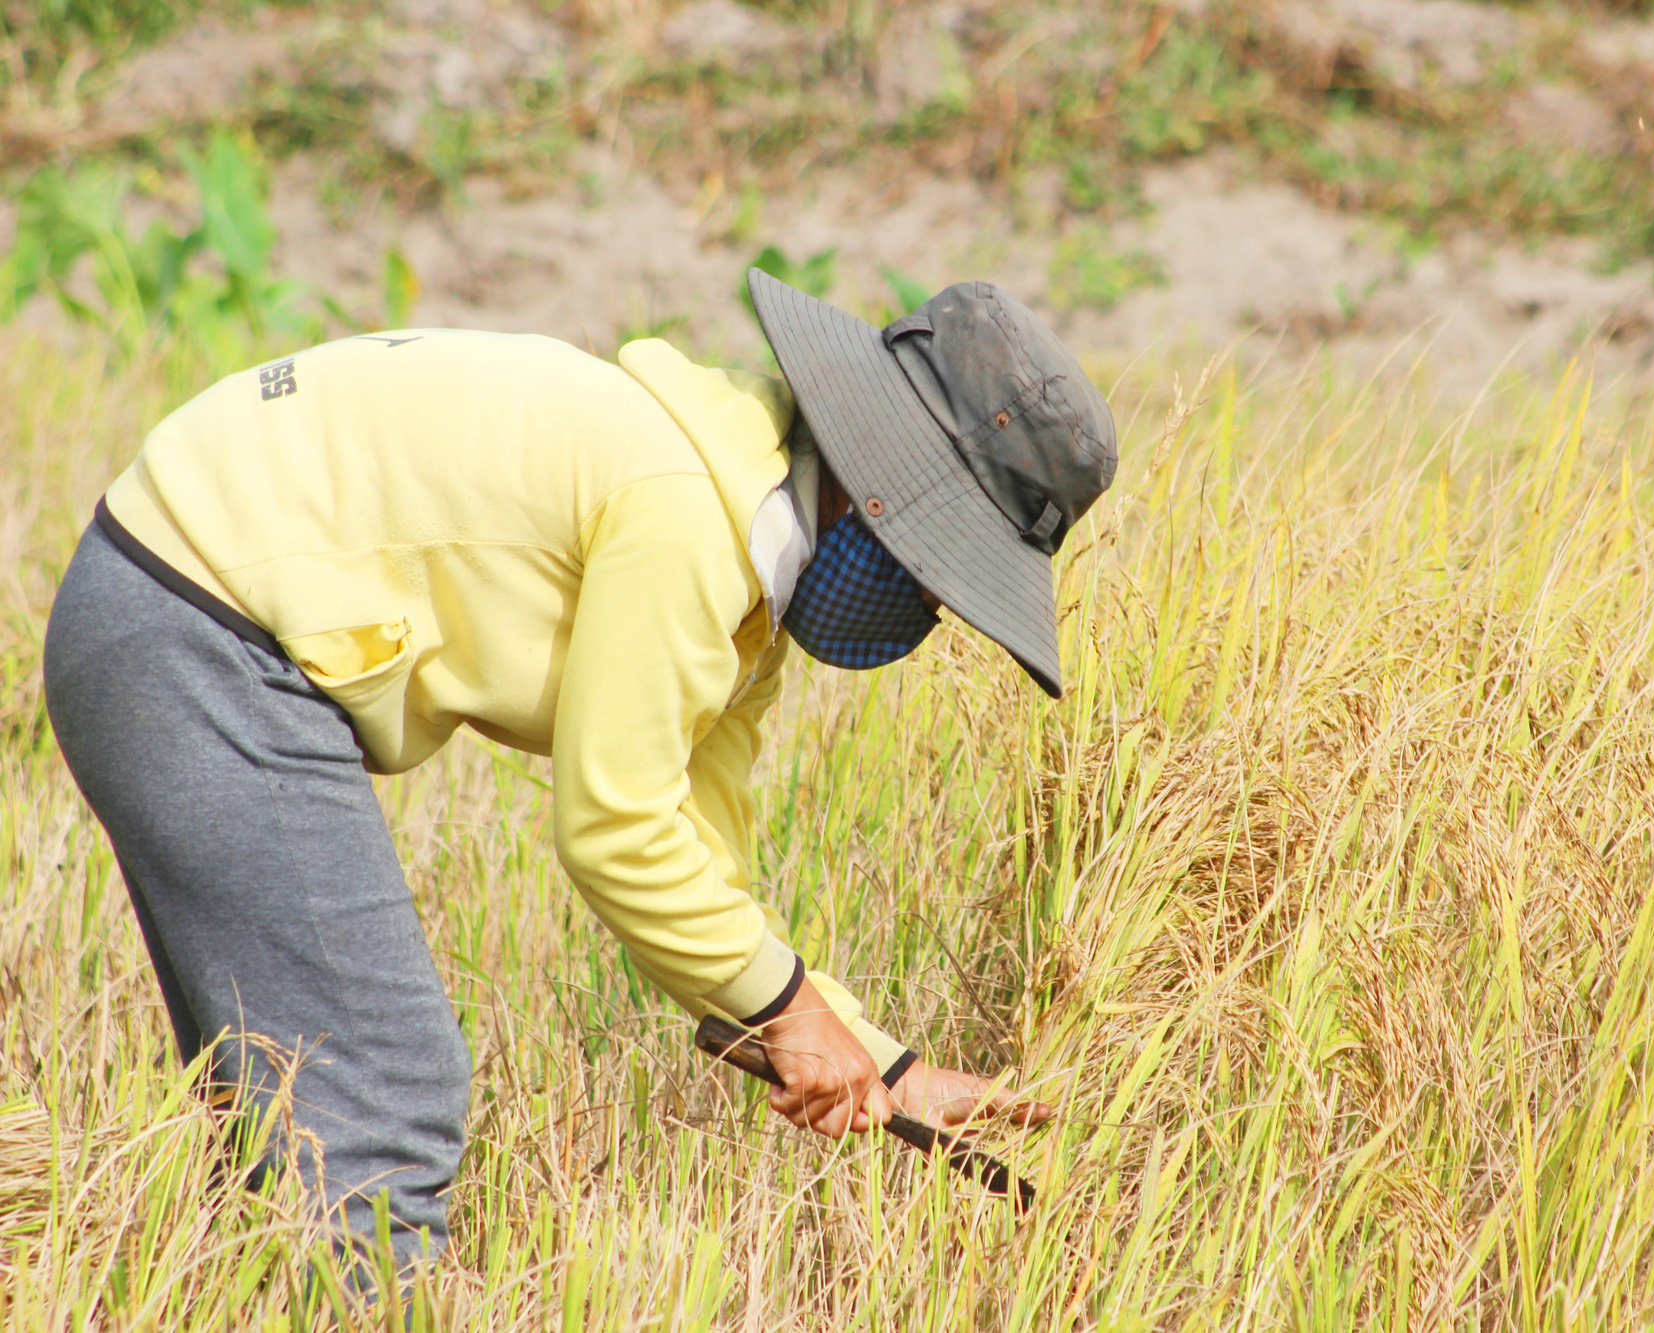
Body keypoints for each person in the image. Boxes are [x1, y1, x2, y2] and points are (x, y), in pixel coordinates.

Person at [40, 269, 1118, 1268]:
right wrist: (792, 1018)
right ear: (885, 500)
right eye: (936, 581)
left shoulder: (744, 556)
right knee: (385, 1102)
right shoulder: (690, 519)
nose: (928, 612)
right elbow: (617, 831)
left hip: (169, 611)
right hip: (195, 626)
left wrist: (880, 1066)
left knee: (289, 1117)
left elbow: (699, 873)